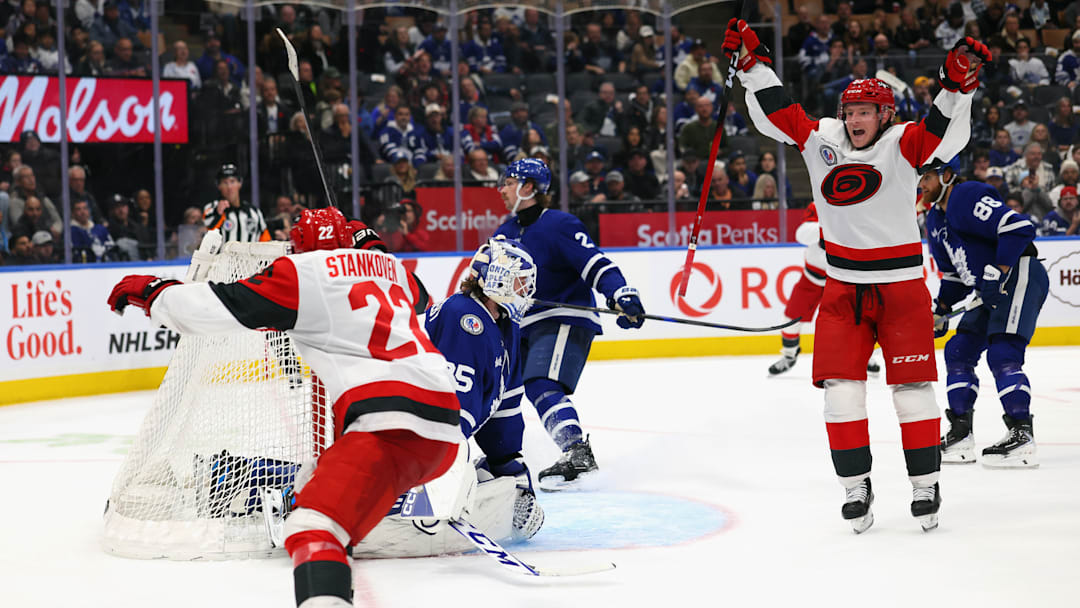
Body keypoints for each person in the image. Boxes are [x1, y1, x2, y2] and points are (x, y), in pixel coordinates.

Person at [107, 208, 460, 608]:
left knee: (311, 528)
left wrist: (153, 291)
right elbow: (421, 297)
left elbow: (218, 306)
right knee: (325, 508)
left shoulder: (301, 272)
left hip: (387, 424)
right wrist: (371, 247)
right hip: (443, 425)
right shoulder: (392, 270)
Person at [725, 20, 989, 532]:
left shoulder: (903, 143)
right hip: (843, 287)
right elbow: (781, 113)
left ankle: (924, 484)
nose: (854, 119)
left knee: (912, 390)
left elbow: (944, 133)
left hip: (901, 287)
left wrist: (956, 88)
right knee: (840, 392)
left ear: (884, 113)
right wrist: (752, 66)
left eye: (864, 110)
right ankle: (854, 487)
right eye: (849, 110)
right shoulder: (823, 138)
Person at [492, 159, 645, 490]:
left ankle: (577, 453)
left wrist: (619, 292)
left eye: (508, 182)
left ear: (529, 187)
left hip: (564, 316)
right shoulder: (503, 234)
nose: (501, 189)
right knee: (503, 392)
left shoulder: (559, 224)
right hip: (522, 326)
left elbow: (595, 263)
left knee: (541, 384)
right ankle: (501, 459)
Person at [922, 161, 1048, 468]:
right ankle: (961, 433)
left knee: (1003, 352)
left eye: (925, 176)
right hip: (987, 287)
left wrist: (999, 271)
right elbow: (954, 277)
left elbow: (1018, 228)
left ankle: (1022, 434)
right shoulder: (934, 221)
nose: (920, 184)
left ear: (946, 175)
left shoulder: (965, 195)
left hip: (1019, 272)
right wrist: (940, 310)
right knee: (958, 351)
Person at [768, 203, 882, 377]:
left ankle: (864, 356)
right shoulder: (818, 205)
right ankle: (789, 356)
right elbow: (802, 234)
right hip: (812, 277)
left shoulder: (859, 206)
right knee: (791, 316)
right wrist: (826, 227)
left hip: (842, 278)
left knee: (855, 319)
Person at [202, 164, 270, 242]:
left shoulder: (254, 212)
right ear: (219, 186)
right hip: (222, 254)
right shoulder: (212, 208)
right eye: (225, 183)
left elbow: (265, 240)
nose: (229, 187)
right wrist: (218, 213)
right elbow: (209, 228)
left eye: (232, 181)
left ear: (239, 184)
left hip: (248, 254)